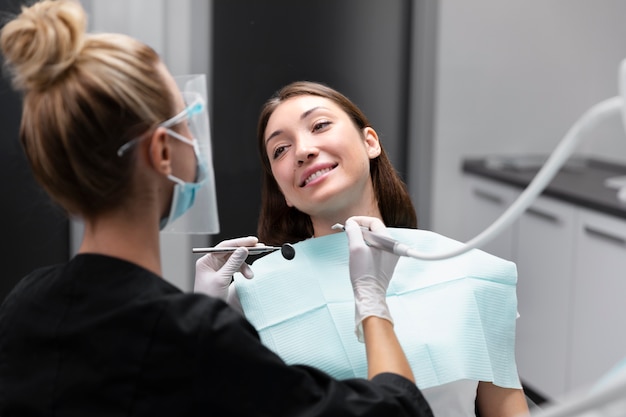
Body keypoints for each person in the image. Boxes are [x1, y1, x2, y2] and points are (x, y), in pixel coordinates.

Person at [0, 2, 434, 416]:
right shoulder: (197, 338)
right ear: (163, 152)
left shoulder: (24, 306)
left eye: (320, 125)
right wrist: (373, 303)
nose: (303, 151)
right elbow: (397, 411)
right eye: (185, 120)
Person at [196, 81, 530, 417]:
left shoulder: (466, 273)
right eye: (280, 149)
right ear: (283, 191)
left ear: (370, 142)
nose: (302, 150)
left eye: (320, 125)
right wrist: (203, 327)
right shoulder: (252, 300)